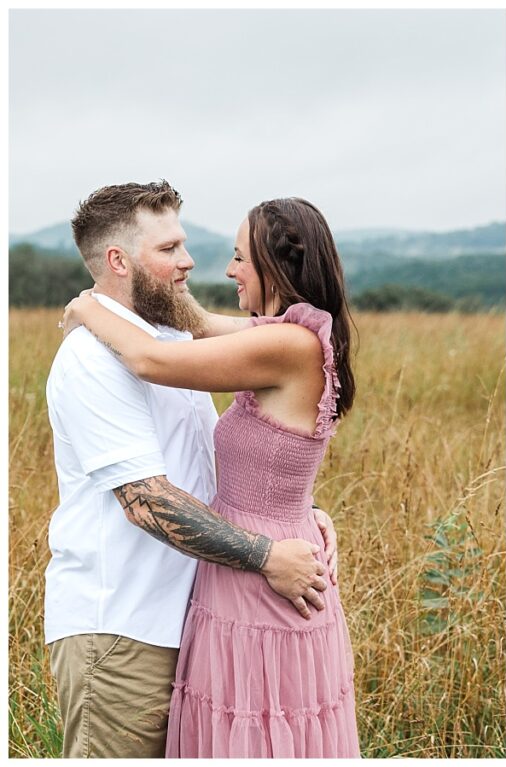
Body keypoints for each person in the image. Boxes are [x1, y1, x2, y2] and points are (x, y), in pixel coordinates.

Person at [45, 181, 338, 758]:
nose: (192, 261)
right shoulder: (89, 358)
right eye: (170, 248)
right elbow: (147, 500)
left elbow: (209, 456)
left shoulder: (174, 338)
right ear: (118, 260)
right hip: (123, 631)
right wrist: (266, 551)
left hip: (195, 616)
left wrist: (292, 513)